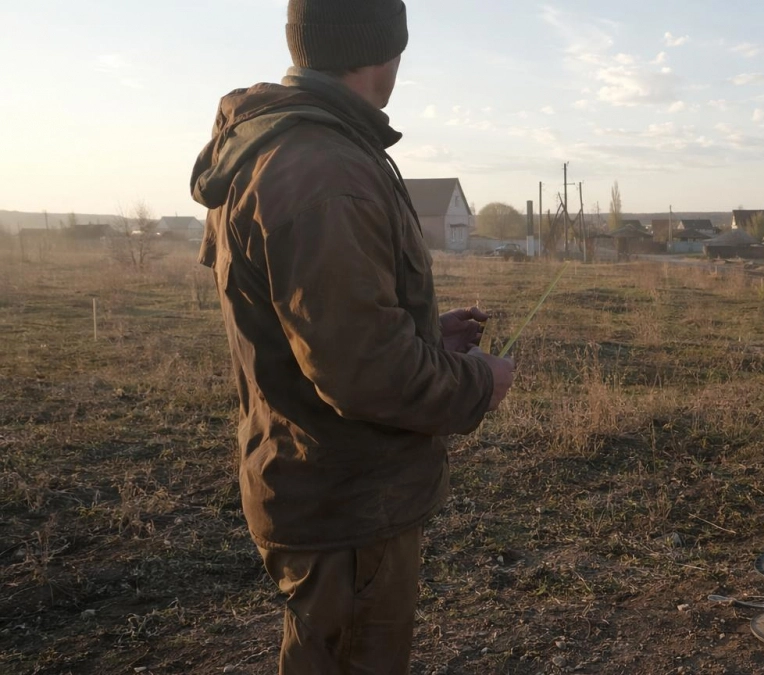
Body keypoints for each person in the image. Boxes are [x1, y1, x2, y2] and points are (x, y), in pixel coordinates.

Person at [188, 1, 515, 672]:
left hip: (313, 482)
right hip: (344, 506)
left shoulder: (278, 146)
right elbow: (364, 371)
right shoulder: (323, 171)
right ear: (383, 50)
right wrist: (481, 382)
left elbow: (315, 324)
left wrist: (425, 333)